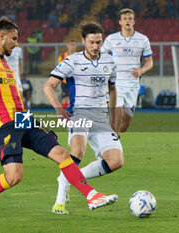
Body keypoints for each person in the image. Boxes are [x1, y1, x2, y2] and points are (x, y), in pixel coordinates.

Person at [0, 16, 117, 220]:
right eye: (14, 38)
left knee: (62, 154)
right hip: (6, 125)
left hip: (24, 119)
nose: (17, 43)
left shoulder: (4, 63)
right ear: (2, 36)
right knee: (14, 176)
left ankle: (91, 195)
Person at [43, 20, 123, 214]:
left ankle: (68, 177)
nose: (96, 46)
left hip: (101, 116)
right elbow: (48, 86)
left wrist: (114, 121)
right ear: (83, 41)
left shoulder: (110, 62)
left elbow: (112, 89)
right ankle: (59, 202)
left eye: (99, 42)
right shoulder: (72, 61)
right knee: (77, 150)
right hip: (79, 113)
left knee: (116, 161)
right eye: (92, 42)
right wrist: (58, 109)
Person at [102, 8, 153, 136]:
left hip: (133, 83)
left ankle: (107, 134)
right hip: (116, 82)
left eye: (130, 18)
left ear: (134, 22)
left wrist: (142, 70)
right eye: (125, 19)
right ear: (120, 22)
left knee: (124, 126)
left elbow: (149, 62)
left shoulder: (143, 39)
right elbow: (101, 56)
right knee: (116, 124)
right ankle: (110, 148)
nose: (127, 21)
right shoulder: (111, 39)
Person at [57, 40, 77, 110]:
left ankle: (69, 114)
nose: (72, 46)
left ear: (76, 46)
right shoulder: (62, 56)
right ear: (67, 46)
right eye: (70, 44)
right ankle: (64, 115)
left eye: (73, 44)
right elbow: (59, 69)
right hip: (64, 81)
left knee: (70, 99)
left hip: (74, 81)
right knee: (64, 98)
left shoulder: (78, 56)